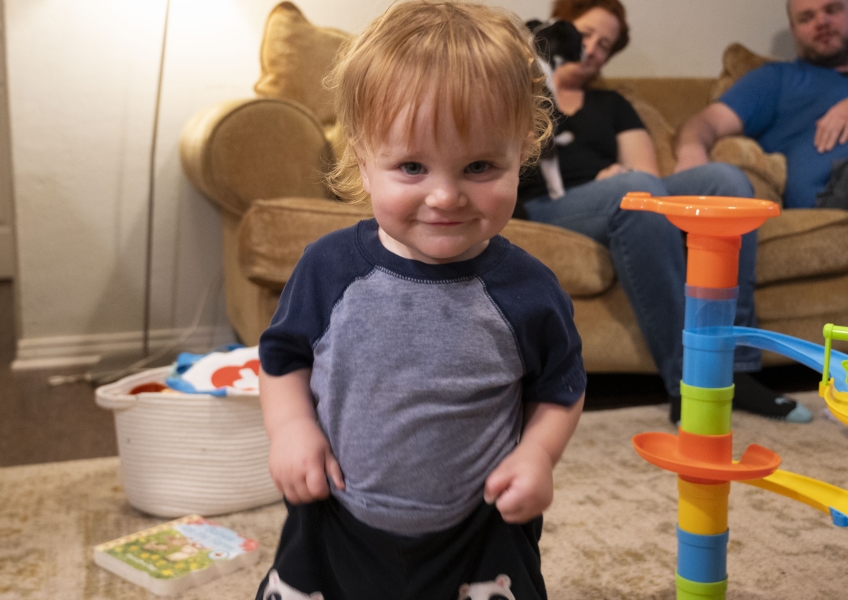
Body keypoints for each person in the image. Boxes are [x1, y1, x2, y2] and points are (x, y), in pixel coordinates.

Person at [254, 3, 586, 598]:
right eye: (412, 166)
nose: (444, 196)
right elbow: (282, 359)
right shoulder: (327, 269)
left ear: (523, 152)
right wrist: (291, 430)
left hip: (476, 533)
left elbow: (561, 388)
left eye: (480, 165)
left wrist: (538, 455)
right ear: (363, 159)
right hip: (334, 518)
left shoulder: (528, 291)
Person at [518, 0, 812, 424]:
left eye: (606, 44)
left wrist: (621, 176)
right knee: (634, 191)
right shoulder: (524, 90)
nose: (595, 49)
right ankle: (687, 382)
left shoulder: (612, 103)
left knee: (726, 184)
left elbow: (647, 174)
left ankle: (740, 370)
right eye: (586, 35)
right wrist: (623, 182)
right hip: (553, 204)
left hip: (624, 192)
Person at [675, 0, 848, 218]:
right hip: (838, 190)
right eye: (806, 17)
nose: (821, 21)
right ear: (794, 30)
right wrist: (691, 153)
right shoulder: (776, 79)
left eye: (832, 9)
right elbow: (707, 122)